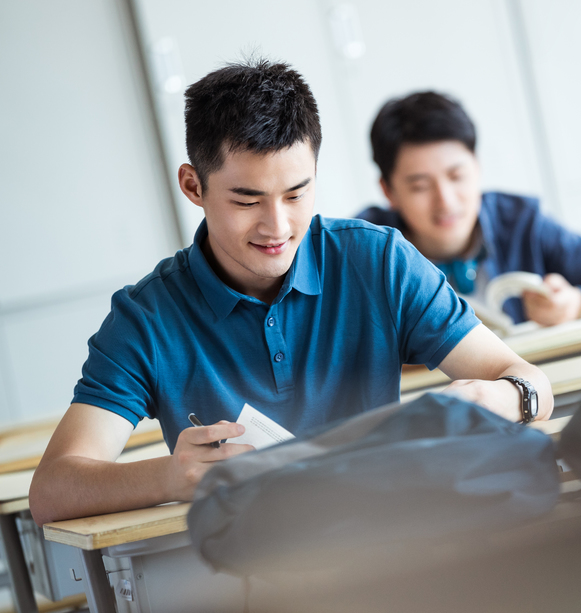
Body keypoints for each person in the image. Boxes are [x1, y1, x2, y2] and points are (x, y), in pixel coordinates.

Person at [29, 60, 553, 527]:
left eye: (297, 193)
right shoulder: (146, 318)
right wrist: (171, 476)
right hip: (255, 574)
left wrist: (494, 396)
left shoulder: (378, 261)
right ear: (194, 187)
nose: (277, 226)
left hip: (398, 541)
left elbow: (533, 385)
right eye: (246, 199)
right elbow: (53, 490)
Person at [356, 92, 581, 327]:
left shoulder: (521, 222)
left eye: (457, 176)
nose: (446, 201)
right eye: (420, 187)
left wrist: (576, 305)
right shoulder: (365, 248)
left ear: (478, 168)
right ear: (388, 191)